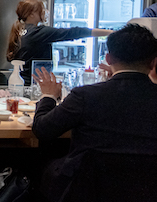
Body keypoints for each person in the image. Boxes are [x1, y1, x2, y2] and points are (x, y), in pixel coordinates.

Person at [31, 23, 157, 202]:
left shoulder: (86, 95)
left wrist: (48, 96)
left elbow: (42, 130)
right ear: (153, 61)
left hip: (86, 188)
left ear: (109, 58)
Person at [6, 0, 111, 85]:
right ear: (32, 14)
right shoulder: (39, 32)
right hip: (33, 84)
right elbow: (72, 32)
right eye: (42, 9)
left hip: (25, 82)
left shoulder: (22, 30)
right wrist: (109, 32)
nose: (45, 12)